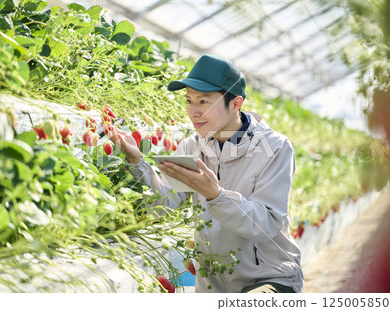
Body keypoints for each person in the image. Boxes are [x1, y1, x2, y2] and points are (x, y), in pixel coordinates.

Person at [107, 54, 303, 293]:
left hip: (268, 280)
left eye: (204, 102)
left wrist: (215, 195)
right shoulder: (193, 147)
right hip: (213, 285)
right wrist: (136, 160)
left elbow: (266, 224)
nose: (194, 112)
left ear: (235, 103)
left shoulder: (275, 148)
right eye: (189, 101)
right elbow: (164, 203)